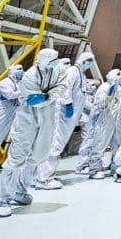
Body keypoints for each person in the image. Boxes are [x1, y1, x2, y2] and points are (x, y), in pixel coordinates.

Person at [0, 49, 66, 218]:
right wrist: (49, 96)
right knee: (17, 157)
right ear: (44, 60)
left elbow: (60, 88)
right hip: (27, 119)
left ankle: (19, 191)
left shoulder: (57, 71)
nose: (56, 62)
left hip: (46, 118)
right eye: (53, 59)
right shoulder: (30, 76)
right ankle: (0, 202)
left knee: (39, 155)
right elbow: (33, 100)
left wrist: (46, 96)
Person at [35, 52, 94, 189]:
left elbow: (80, 97)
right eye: (88, 60)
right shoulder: (73, 71)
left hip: (70, 118)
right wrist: (67, 104)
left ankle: (44, 175)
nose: (89, 63)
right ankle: (43, 179)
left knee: (57, 144)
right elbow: (66, 89)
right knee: (55, 144)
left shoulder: (80, 74)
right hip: (63, 115)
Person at [86, 70, 121, 179]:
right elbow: (100, 105)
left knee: (118, 144)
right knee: (100, 144)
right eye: (118, 74)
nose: (119, 76)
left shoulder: (119, 87)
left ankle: (115, 166)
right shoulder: (104, 87)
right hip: (105, 120)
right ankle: (94, 170)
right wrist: (109, 95)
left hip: (116, 120)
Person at [74, 81, 99, 175]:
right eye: (92, 85)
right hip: (85, 119)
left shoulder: (93, 95)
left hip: (91, 120)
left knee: (90, 142)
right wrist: (98, 107)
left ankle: (87, 163)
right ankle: (82, 166)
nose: (94, 87)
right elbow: (88, 106)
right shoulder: (84, 95)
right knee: (87, 142)